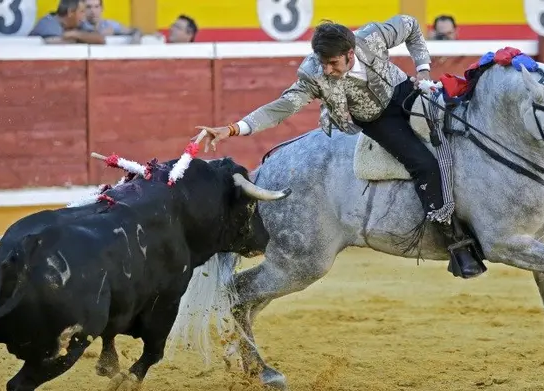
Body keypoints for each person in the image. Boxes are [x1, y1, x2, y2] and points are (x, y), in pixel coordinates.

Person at [193, 15, 484, 279]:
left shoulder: (370, 38)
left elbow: (410, 26)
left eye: (333, 63)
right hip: (375, 119)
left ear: (349, 53)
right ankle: (455, 241)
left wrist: (422, 69)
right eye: (323, 62)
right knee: (424, 164)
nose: (327, 70)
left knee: (456, 131)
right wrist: (233, 129)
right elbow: (281, 108)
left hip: (404, 91)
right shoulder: (313, 73)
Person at [30, 0, 105, 44]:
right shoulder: (47, 25)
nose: (84, 15)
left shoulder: (79, 23)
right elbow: (58, 45)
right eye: (81, 11)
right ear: (70, 12)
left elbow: (100, 39)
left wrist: (75, 34)